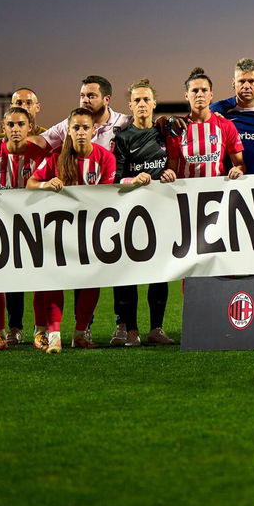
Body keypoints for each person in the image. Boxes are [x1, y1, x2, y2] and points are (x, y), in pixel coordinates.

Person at [27, 108, 117, 353]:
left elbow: (106, 195)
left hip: (90, 231)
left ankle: (80, 333)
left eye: (85, 127)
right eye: (75, 128)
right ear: (67, 131)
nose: (80, 132)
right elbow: (31, 183)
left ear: (94, 130)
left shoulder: (106, 158)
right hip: (58, 231)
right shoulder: (56, 156)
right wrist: (46, 184)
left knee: (90, 280)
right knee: (55, 278)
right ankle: (54, 334)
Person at [109, 78, 179, 347]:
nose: (141, 103)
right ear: (130, 105)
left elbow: (173, 163)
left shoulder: (165, 133)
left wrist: (169, 172)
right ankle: (132, 331)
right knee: (130, 272)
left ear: (154, 104)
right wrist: (133, 180)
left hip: (160, 212)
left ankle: (156, 329)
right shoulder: (123, 138)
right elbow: (116, 178)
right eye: (136, 100)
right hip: (131, 214)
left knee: (159, 272)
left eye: (146, 99)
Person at [0, 107, 46, 350]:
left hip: (34, 226)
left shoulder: (41, 153)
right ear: (3, 128)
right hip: (1, 227)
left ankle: (41, 332)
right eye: (10, 125)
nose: (15, 129)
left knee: (40, 278)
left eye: (20, 124)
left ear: (30, 127)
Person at [169, 67, 246, 180]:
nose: (200, 94)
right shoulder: (177, 128)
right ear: (186, 95)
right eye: (195, 91)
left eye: (204, 90)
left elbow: (240, 164)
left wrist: (238, 170)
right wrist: (168, 173)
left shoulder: (226, 125)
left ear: (211, 94)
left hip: (219, 193)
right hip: (186, 193)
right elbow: (172, 169)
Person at [36, 75, 129, 152]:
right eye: (82, 96)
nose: (85, 100)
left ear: (106, 100)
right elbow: (40, 142)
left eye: (91, 96)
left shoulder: (126, 122)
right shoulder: (70, 123)